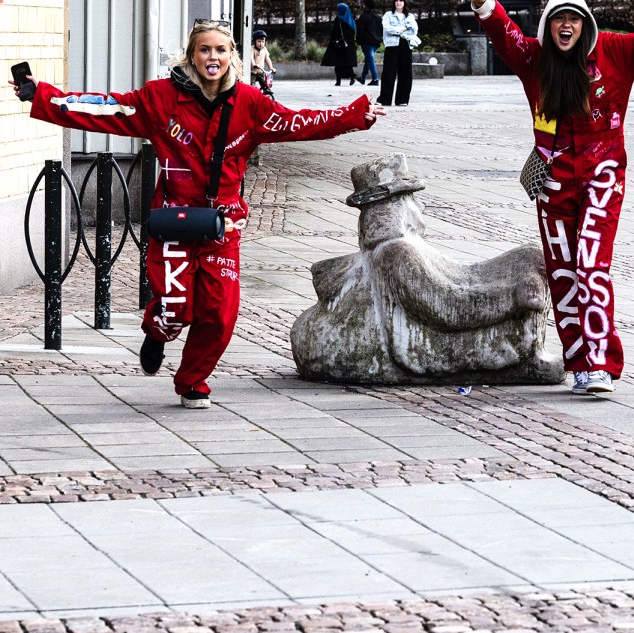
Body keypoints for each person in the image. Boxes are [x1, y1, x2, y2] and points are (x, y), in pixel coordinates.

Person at [9, 20, 384, 409]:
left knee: (219, 314)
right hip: (173, 221)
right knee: (175, 307)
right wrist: (43, 96)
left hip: (224, 225)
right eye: (205, 50)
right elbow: (105, 108)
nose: (213, 57)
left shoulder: (250, 104)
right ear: (192, 55)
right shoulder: (160, 99)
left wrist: (356, 114)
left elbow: (299, 123)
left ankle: (193, 381)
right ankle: (156, 331)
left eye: (221, 50)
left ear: (231, 56)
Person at [456, 0, 634, 396]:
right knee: (563, 271)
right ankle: (580, 361)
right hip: (551, 180)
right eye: (559, 19)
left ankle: (601, 361)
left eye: (574, 19)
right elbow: (506, 36)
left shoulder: (615, 53)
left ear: (585, 25)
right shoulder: (534, 60)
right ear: (548, 25)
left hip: (603, 172)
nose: (566, 26)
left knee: (591, 262)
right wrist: (483, 3)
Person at [379, 0, 420, 106]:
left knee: (405, 72)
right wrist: (403, 29)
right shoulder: (388, 15)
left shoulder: (410, 16)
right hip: (392, 45)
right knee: (388, 72)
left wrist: (399, 30)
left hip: (406, 44)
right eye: (396, 1)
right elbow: (387, 29)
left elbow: (414, 30)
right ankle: (385, 99)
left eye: (401, 0)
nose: (398, 3)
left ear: (404, 2)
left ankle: (402, 99)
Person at [322, 2, 360, 86]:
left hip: (340, 45)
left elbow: (335, 32)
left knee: (338, 64)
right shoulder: (351, 20)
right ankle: (353, 77)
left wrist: (332, 42)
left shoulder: (338, 19)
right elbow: (354, 32)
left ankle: (338, 81)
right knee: (348, 65)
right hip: (349, 45)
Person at [356, 0, 384, 86]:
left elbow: (360, 30)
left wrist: (358, 40)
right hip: (376, 41)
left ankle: (375, 78)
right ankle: (363, 77)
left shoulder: (364, 16)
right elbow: (382, 30)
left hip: (366, 41)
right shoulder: (378, 18)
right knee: (369, 59)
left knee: (370, 59)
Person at [249, 29, 275, 96]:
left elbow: (267, 59)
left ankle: (267, 95)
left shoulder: (264, 49)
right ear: (255, 42)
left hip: (261, 72)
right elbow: (251, 58)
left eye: (263, 42)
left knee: (266, 84)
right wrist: (254, 64)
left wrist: (271, 68)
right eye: (259, 41)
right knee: (252, 87)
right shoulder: (252, 49)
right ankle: (254, 96)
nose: (261, 44)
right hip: (253, 72)